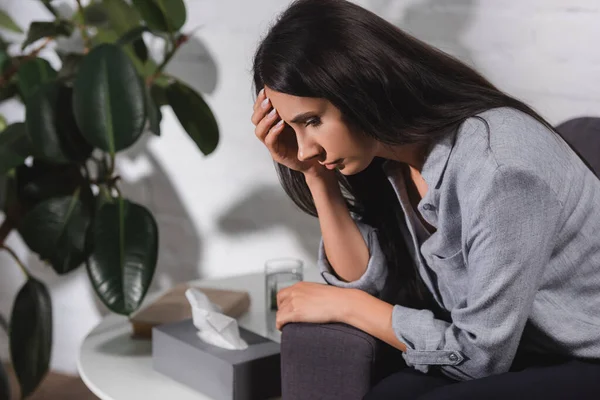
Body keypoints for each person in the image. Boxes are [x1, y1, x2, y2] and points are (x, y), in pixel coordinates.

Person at [250, 0, 600, 398]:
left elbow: (479, 356)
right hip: (522, 348)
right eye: (295, 129)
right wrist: (315, 177)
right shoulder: (394, 158)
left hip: (585, 355)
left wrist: (346, 308)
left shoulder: (499, 170)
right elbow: (365, 286)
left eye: (312, 122)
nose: (306, 146)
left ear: (360, 87)